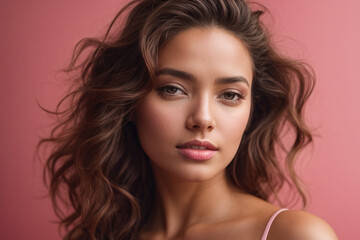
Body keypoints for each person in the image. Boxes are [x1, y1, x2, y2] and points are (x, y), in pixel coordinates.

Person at [40, 0, 338, 239]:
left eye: (231, 95)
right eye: (172, 89)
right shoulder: (91, 235)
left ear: (252, 110)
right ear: (129, 102)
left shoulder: (293, 236)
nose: (203, 119)